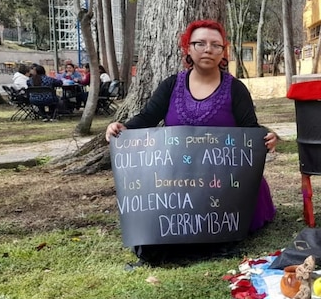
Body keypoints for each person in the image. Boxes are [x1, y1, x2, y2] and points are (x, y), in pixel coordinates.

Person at [104, 19, 278, 261]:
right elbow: (147, 118)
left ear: (223, 51)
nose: (208, 49)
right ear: (187, 48)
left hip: (227, 186)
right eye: (200, 43)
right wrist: (121, 128)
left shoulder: (236, 89)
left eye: (216, 45)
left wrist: (268, 137)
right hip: (178, 183)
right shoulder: (171, 86)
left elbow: (250, 130)